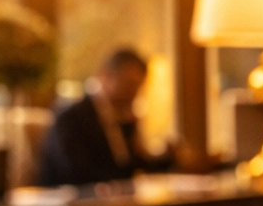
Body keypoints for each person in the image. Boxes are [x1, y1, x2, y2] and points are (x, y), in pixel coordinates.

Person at [37, 48, 177, 188]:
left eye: (138, 87)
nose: (133, 93)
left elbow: (129, 167)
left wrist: (167, 158)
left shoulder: (122, 120)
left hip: (112, 203)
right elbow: (76, 173)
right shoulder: (71, 118)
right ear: (105, 76)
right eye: (128, 84)